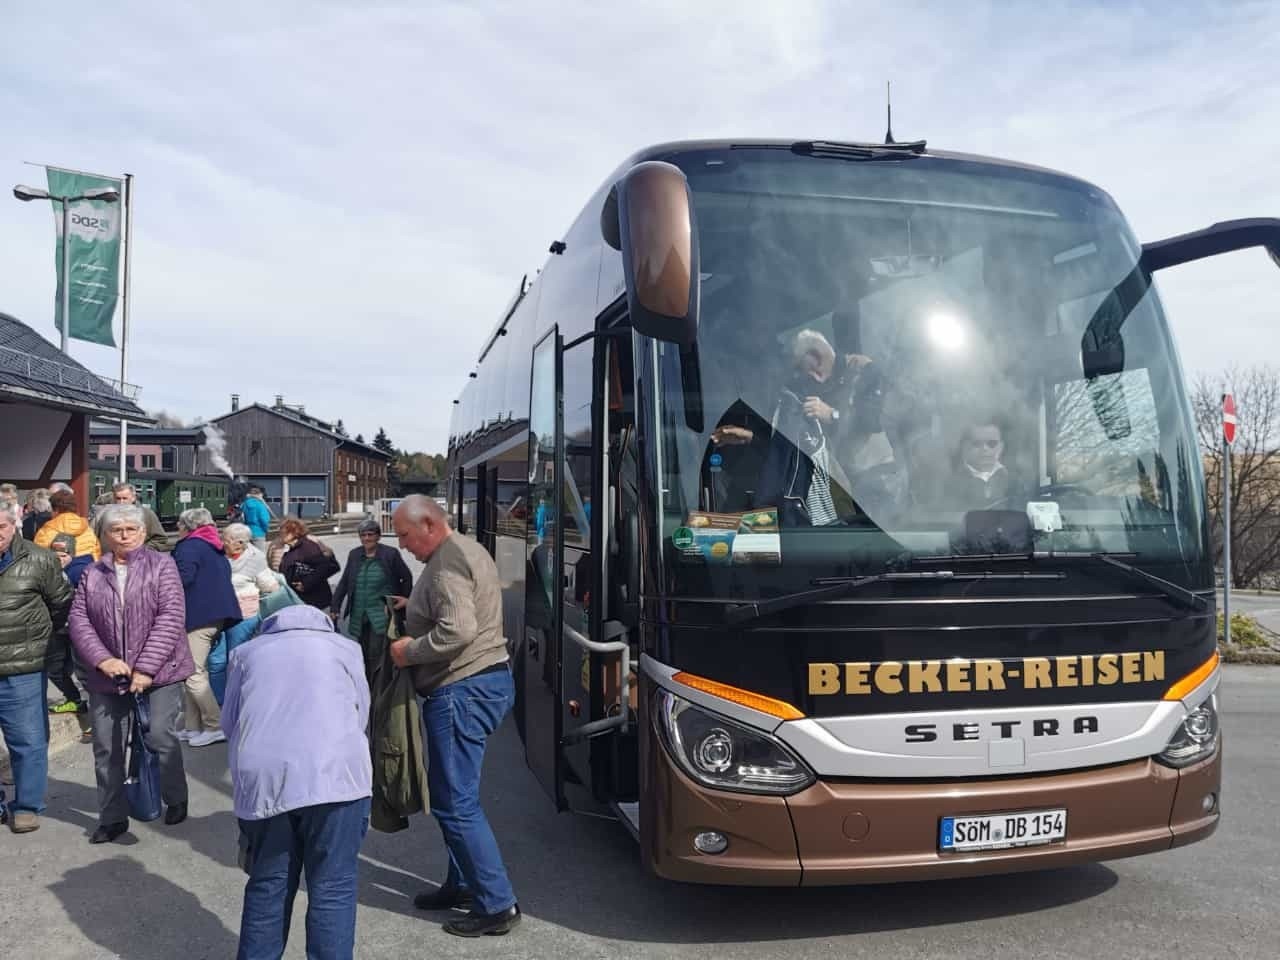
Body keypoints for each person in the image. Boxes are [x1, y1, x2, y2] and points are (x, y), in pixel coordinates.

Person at [390, 494, 519, 938]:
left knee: (454, 804)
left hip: (462, 690)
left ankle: (496, 905)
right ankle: (463, 884)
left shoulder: (444, 565)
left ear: (429, 524)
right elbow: (462, 610)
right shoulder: (464, 549)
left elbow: (459, 629)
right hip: (483, 683)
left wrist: (409, 651)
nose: (401, 544)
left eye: (404, 534)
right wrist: (415, 608)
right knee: (459, 798)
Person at [224, 604, 372, 960]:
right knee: (332, 887)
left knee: (268, 884)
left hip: (267, 781)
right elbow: (362, 712)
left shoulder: (245, 653)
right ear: (325, 623)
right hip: (338, 778)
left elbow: (230, 723)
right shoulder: (347, 648)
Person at [69, 503, 193, 843]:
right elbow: (79, 621)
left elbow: (170, 618)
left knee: (160, 737)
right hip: (107, 676)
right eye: (116, 530)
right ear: (105, 535)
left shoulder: (162, 566)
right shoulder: (93, 573)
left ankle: (175, 796)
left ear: (142, 532)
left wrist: (145, 668)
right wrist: (103, 659)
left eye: (131, 529)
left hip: (161, 672)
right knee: (107, 746)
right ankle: (112, 818)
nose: (124, 535)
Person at [0, 504, 72, 834]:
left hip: (24, 667)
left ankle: (26, 806)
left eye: (1, 526)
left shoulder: (39, 559)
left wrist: (38, 644)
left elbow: (62, 605)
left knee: (27, 739)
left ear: (14, 525)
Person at [172, 507, 241, 747]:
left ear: (187, 527)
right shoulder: (212, 545)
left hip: (198, 616)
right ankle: (193, 726)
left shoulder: (189, 546)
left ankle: (215, 725)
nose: (177, 529)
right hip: (216, 615)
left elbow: (182, 578)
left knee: (192, 672)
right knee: (193, 670)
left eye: (179, 525)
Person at [330, 519, 412, 676]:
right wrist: (335, 606)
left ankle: (377, 690)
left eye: (370, 534)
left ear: (378, 536)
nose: (366, 538)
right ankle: (366, 686)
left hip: (381, 613)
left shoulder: (390, 554)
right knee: (362, 651)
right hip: (359, 613)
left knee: (377, 653)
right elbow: (345, 582)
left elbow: (406, 577)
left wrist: (402, 600)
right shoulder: (354, 555)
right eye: (363, 535)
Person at [278, 518, 339, 611]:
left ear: (293, 533)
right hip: (301, 601)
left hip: (315, 602)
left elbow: (325, 567)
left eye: (283, 532)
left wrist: (305, 584)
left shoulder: (307, 546)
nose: (280, 535)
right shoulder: (292, 549)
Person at [93, 482, 169, 552]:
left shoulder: (146, 514)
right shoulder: (102, 515)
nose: (121, 502)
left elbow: (160, 539)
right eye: (118, 498)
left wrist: (142, 551)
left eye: (125, 498)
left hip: (137, 561)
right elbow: (91, 538)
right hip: (108, 560)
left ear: (133, 498)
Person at [34, 489, 101, 562]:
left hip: (58, 571)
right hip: (85, 571)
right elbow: (96, 556)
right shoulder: (89, 531)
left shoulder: (45, 532)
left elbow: (38, 559)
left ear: (56, 510)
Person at [240, 486, 272, 553]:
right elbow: (264, 519)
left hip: (247, 532)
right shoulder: (260, 505)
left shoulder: (244, 504)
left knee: (249, 554)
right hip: (259, 532)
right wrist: (266, 529)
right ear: (259, 494)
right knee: (260, 555)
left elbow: (241, 517)